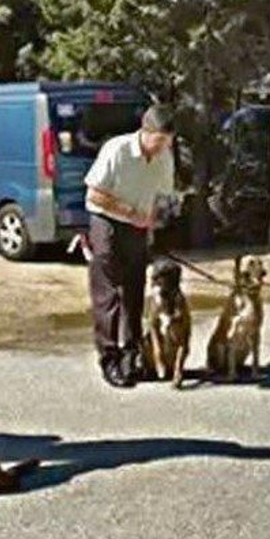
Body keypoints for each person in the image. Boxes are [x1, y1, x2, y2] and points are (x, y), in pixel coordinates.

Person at [85, 104, 177, 388]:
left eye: (167, 143)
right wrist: (131, 213)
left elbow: (163, 196)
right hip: (107, 222)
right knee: (109, 292)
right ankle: (109, 358)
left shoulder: (164, 158)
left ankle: (131, 353)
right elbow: (95, 194)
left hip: (138, 227)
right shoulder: (117, 150)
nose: (162, 148)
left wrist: (157, 221)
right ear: (145, 132)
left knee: (134, 290)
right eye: (159, 141)